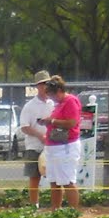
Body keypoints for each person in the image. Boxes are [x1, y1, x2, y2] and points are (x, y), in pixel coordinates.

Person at [43, 75, 83, 209]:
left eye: (52, 95)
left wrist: (52, 121)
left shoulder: (71, 101)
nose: (52, 98)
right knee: (54, 182)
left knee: (67, 181)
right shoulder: (59, 104)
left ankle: (73, 212)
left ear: (60, 90)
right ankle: (55, 211)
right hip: (53, 147)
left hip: (66, 147)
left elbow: (72, 122)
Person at [19, 70, 53, 207]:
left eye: (47, 83)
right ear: (37, 86)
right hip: (34, 146)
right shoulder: (30, 106)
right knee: (34, 176)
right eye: (42, 84)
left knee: (55, 177)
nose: (45, 86)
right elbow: (24, 127)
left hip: (52, 146)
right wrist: (40, 136)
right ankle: (34, 205)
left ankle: (55, 206)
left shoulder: (53, 103)